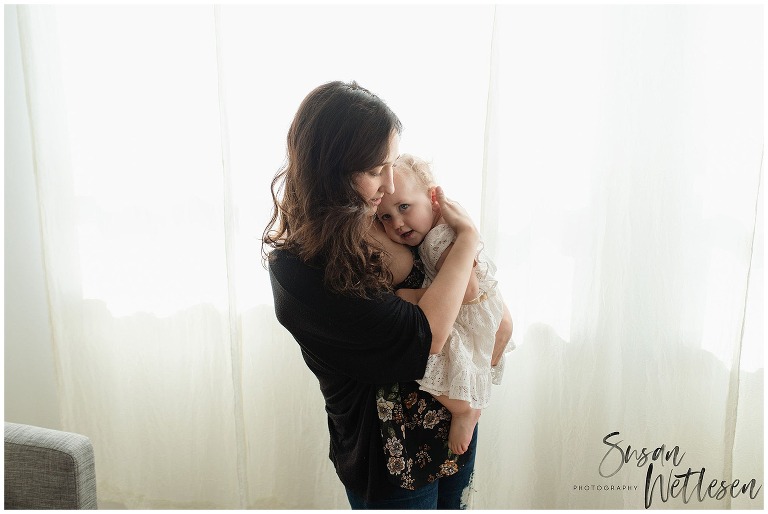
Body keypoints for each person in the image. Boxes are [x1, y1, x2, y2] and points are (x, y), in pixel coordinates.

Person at [262, 81, 513, 509]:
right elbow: (424, 334)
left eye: (392, 165)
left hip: (449, 430)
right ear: (332, 170)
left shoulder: (393, 219)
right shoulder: (299, 270)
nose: (390, 184)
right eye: (377, 170)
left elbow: (483, 311)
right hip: (390, 456)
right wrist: (469, 238)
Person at [375, 154, 515, 456]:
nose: (397, 223)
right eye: (385, 217)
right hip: (474, 312)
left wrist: (411, 296)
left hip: (469, 312)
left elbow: (467, 289)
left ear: (432, 198)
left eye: (404, 207)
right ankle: (471, 403)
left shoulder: (439, 237)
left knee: (420, 356)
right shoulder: (437, 226)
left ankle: (464, 410)